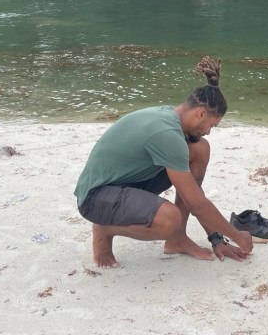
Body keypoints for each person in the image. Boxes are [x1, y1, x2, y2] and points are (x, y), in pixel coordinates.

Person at [74, 57, 254, 268]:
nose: (208, 132)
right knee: (169, 219)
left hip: (126, 182)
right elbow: (197, 204)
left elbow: (194, 194)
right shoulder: (168, 134)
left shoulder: (171, 117)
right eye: (211, 125)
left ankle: (177, 240)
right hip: (95, 198)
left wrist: (217, 240)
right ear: (201, 113)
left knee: (199, 149)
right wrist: (237, 236)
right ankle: (105, 229)